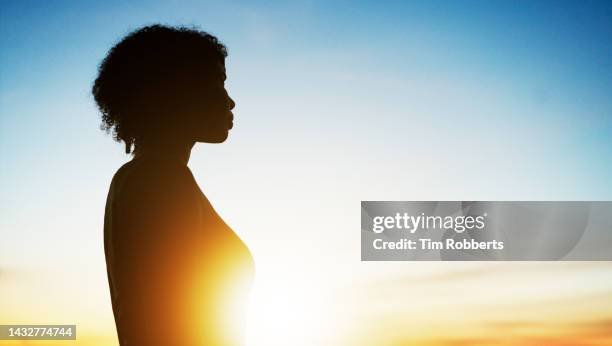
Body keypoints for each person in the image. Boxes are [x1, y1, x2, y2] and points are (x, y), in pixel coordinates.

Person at [92, 24, 254, 345]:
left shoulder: (145, 176)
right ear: (177, 89)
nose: (230, 101)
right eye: (217, 83)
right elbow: (155, 322)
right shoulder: (158, 177)